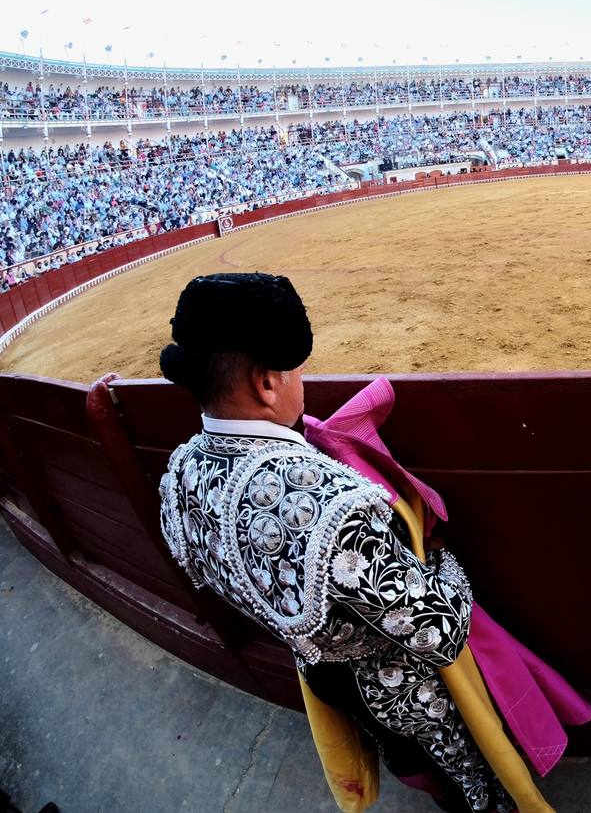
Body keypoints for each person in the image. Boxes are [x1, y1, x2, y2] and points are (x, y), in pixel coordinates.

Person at [157, 272, 542, 813]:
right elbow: (440, 631)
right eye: (295, 370)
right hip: (404, 693)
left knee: (407, 763)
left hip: (323, 676)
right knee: (470, 780)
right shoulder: (334, 502)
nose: (300, 382)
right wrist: (435, 556)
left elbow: (205, 577)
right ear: (266, 383)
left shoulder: (179, 476)